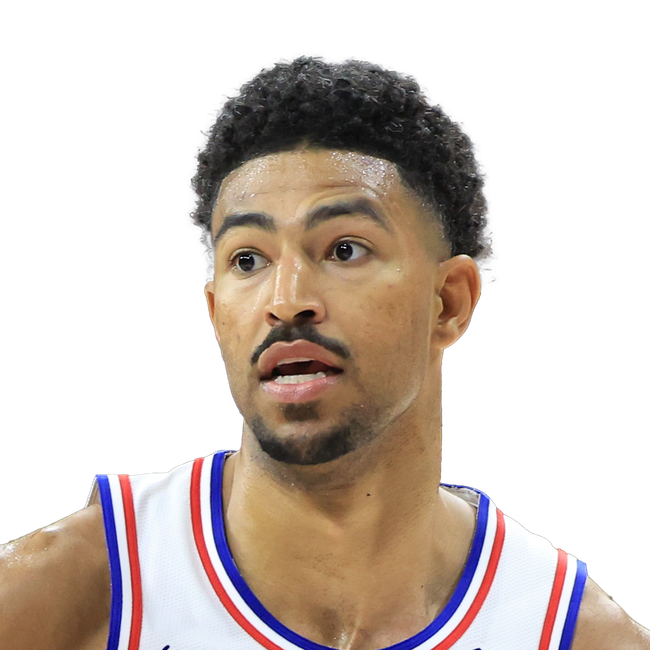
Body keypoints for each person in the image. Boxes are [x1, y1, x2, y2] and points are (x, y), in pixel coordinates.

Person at [1, 55, 648, 650]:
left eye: (344, 249)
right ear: (216, 314)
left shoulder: (568, 633)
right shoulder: (79, 589)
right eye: (248, 260)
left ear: (449, 302)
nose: (286, 301)